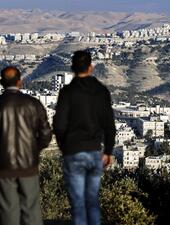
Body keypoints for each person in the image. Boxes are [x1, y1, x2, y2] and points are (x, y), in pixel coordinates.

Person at [53, 50, 116, 225]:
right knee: (92, 202)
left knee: (78, 204)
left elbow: (58, 124)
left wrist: (64, 147)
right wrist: (109, 151)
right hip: (94, 152)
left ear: (73, 68)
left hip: (73, 151)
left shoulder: (67, 92)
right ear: (91, 67)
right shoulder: (101, 91)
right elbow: (109, 124)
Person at [0, 66, 52, 225]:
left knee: (8, 210)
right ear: (19, 82)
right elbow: (46, 134)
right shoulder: (33, 104)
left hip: (3, 165)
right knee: (31, 209)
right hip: (28, 164)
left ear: (2, 82)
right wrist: (33, 150)